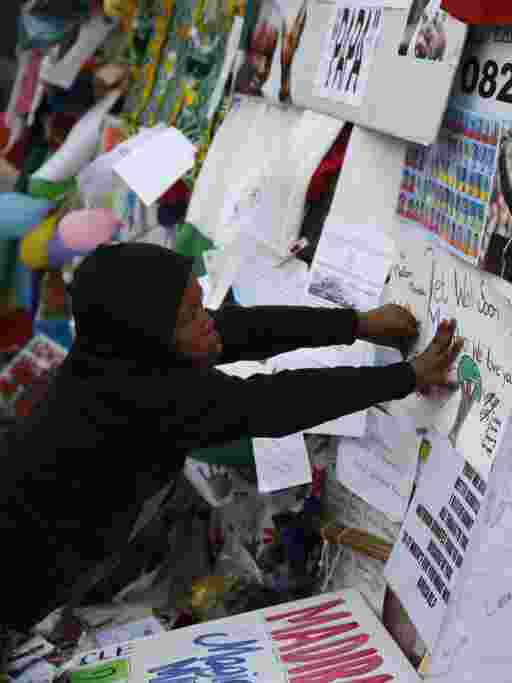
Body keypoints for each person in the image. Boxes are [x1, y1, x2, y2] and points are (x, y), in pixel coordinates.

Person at [0, 243, 464, 633]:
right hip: (29, 570)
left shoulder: (117, 348)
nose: (207, 319)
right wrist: (405, 377)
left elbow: (235, 330)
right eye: (189, 315)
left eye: (199, 304)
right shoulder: (139, 400)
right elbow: (271, 403)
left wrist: (357, 324)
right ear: (150, 333)